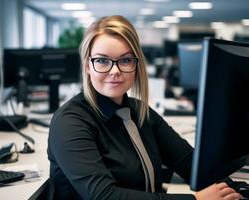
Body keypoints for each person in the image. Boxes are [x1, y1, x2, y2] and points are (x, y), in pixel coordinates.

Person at [48, 15, 242, 200]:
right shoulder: (70, 122)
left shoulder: (140, 111)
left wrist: (233, 190)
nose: (115, 71)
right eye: (102, 60)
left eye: (125, 60)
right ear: (87, 66)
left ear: (137, 65)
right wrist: (195, 199)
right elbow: (104, 196)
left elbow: (189, 162)